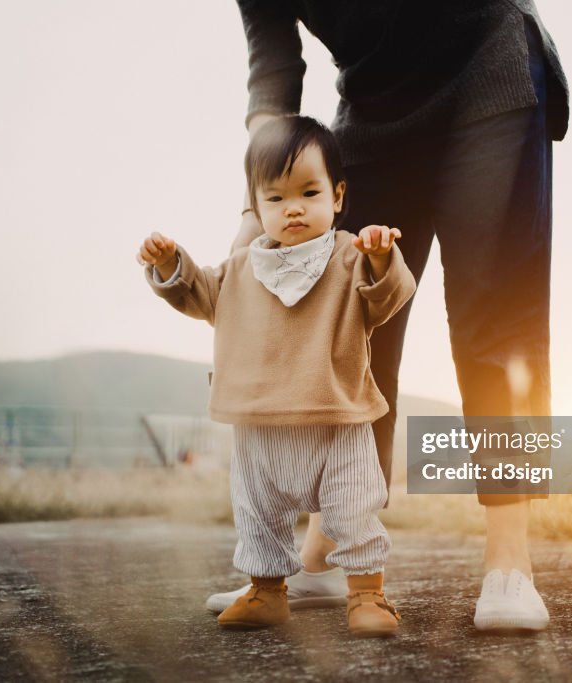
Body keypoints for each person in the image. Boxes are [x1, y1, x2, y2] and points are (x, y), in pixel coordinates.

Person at [209, 0, 569, 631]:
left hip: (489, 67)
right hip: (374, 107)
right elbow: (273, 77)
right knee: (348, 319)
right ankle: (325, 552)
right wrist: (249, 216)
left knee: (497, 316)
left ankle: (510, 558)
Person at [139, 116, 416, 636]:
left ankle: (367, 595)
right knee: (257, 512)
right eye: (276, 197)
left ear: (336, 196)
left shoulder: (348, 255)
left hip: (337, 417)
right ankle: (266, 591)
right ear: (257, 205)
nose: (293, 207)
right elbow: (196, 292)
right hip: (260, 423)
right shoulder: (242, 269)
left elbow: (389, 298)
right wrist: (171, 264)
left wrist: (381, 259)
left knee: (355, 509)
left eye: (309, 192)